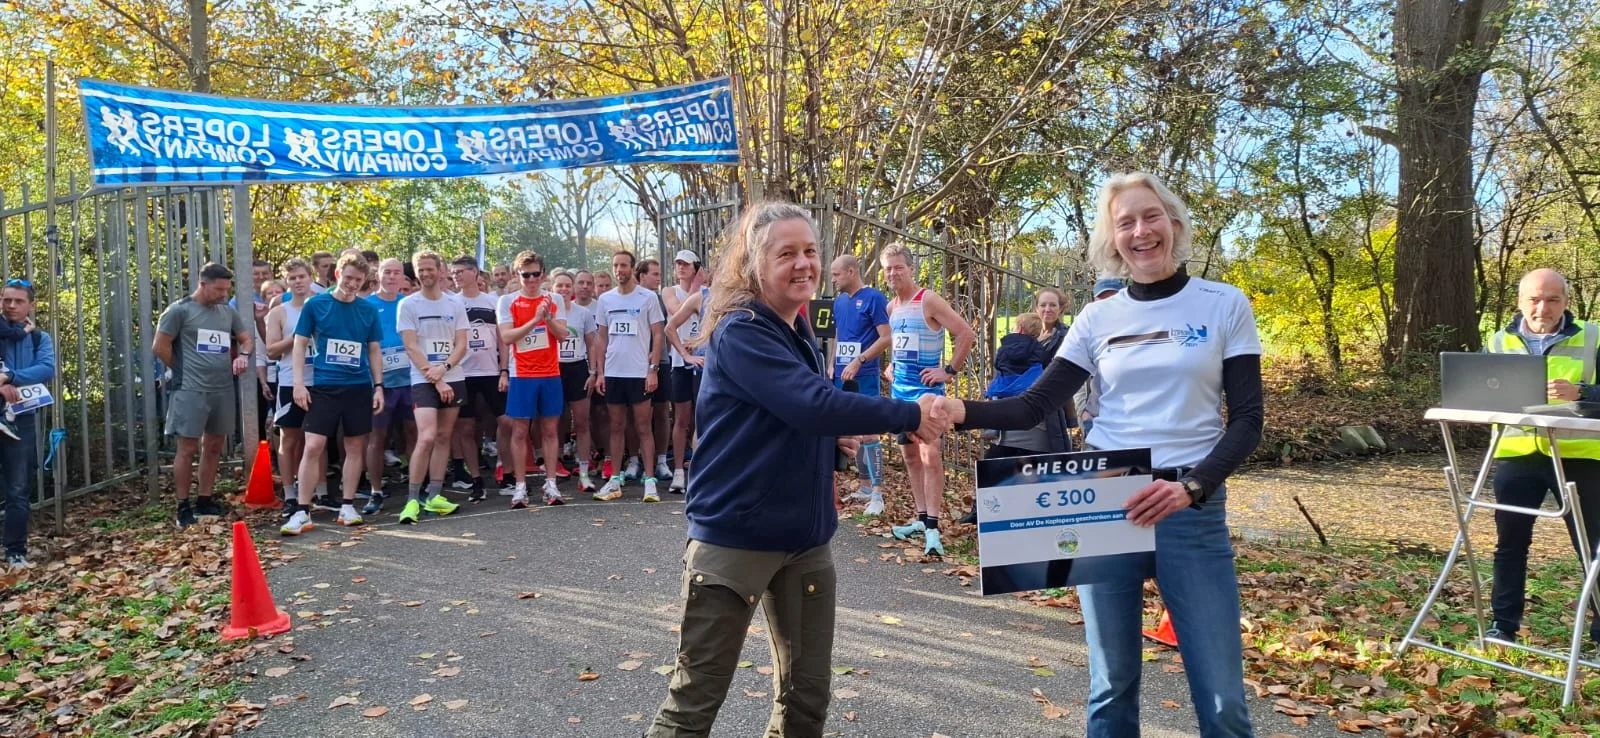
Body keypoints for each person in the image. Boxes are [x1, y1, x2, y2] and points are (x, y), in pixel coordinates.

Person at [934, 172, 1264, 737]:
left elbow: (1250, 420)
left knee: (1222, 698)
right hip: (1106, 500)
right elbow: (1035, 406)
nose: (1141, 230)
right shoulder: (1096, 319)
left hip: (1190, 505)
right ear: (1112, 241)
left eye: (1151, 216)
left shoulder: (1223, 304)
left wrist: (1192, 487)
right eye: (1126, 222)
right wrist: (960, 409)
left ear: (1174, 224)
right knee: (1111, 687)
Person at [646, 202, 944, 737]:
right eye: (787, 253)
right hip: (735, 539)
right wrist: (910, 413)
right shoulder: (740, 329)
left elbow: (789, 416)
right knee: (693, 704)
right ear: (755, 262)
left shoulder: (799, 330)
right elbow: (810, 403)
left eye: (810, 251)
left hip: (805, 540)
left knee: (806, 701)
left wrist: (830, 444)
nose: (804, 264)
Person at [1484, 268, 1600, 647]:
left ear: (1566, 302)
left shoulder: (1594, 336)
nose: (1542, 308)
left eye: (1552, 299)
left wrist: (1583, 392)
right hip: (1518, 456)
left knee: (1594, 549)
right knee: (1510, 545)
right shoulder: (1499, 341)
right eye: (1534, 299)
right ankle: (1503, 628)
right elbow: (1479, 394)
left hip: (1581, 457)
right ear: (1520, 302)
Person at [880, 242, 976, 557]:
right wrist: (892, 365)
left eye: (898, 267)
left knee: (930, 456)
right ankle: (921, 520)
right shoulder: (891, 307)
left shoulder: (928, 300)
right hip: (900, 395)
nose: (893, 273)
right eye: (888, 268)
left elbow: (966, 333)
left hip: (927, 394)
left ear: (911, 269)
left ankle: (933, 528)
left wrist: (948, 371)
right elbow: (899, 343)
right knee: (909, 457)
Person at [283, 253, 385, 535]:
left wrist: (379, 387)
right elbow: (300, 344)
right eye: (348, 277)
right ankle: (302, 511)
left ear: (365, 281)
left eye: (358, 279)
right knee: (314, 445)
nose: (352, 283)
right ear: (337, 274)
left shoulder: (367, 311)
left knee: (355, 447)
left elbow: (374, 350)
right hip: (325, 386)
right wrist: (299, 384)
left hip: (359, 386)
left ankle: (348, 505)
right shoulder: (316, 304)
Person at [153, 263, 253, 528]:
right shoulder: (179, 311)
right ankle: (182, 505)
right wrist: (182, 369)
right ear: (203, 284)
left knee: (214, 445)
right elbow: (159, 346)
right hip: (190, 389)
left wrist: (243, 356)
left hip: (221, 387)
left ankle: (205, 498)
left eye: (226, 289)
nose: (223, 294)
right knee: (187, 448)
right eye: (219, 289)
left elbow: (246, 339)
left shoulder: (226, 311)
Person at [393, 251, 469, 523]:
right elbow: (411, 347)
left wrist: (445, 370)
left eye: (429, 269)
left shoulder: (454, 304)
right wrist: (436, 378)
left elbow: (462, 344)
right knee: (426, 436)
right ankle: (412, 500)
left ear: (440, 270)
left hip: (453, 375)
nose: (424, 274)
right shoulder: (408, 305)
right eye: (419, 270)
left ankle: (435, 495)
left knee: (443, 437)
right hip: (424, 378)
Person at [497, 250, 571, 507]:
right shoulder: (508, 301)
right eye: (525, 275)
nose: (531, 279)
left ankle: (551, 484)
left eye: (535, 274)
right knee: (520, 431)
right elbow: (507, 337)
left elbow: (562, 335)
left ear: (542, 274)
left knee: (550, 430)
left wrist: (548, 317)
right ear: (518, 275)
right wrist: (535, 320)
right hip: (522, 375)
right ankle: (520, 486)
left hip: (550, 373)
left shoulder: (554, 299)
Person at [593, 250, 665, 502]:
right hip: (614, 372)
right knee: (616, 427)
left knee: (644, 427)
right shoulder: (605, 300)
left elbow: (658, 334)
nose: (619, 270)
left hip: (639, 373)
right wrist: (600, 372)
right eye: (615, 265)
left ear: (632, 268)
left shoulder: (648, 298)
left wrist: (653, 369)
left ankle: (650, 480)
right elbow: (601, 338)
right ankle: (614, 479)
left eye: (623, 265)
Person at [827, 254, 892, 515]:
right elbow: (840, 334)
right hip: (842, 375)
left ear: (852, 271)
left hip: (864, 374)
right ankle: (864, 486)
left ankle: (877, 492)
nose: (832, 279)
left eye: (836, 274)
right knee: (849, 431)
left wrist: (859, 360)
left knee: (870, 431)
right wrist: (833, 363)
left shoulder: (874, 298)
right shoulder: (840, 302)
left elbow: (886, 338)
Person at [0, 278, 55, 569]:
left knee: (18, 489)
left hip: (20, 419)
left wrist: (10, 378)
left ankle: (15, 551)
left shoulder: (38, 338)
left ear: (30, 305)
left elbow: (46, 368)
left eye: (18, 301)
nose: (11, 305)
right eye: (6, 299)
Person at [449, 255, 510, 503]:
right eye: (453, 272)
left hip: (491, 371)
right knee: (466, 427)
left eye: (461, 271)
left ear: (475, 273)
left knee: (507, 423)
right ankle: (476, 479)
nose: (457, 276)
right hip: (462, 374)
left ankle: (506, 473)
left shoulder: (493, 302)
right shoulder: (450, 303)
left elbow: (503, 339)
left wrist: (504, 370)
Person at [266, 260, 321, 518]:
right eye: (292, 278)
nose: (298, 282)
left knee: (318, 439)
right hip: (289, 382)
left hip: (320, 380)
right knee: (289, 439)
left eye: (302, 276)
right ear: (287, 282)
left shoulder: (324, 306)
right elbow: (271, 350)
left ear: (310, 278)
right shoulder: (279, 312)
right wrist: (300, 334)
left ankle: (319, 491)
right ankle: (289, 494)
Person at [361, 258, 414, 515]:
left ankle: (417, 488)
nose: (392, 277)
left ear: (403, 278)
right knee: (376, 438)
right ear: (377, 275)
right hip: (379, 383)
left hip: (411, 380)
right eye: (387, 272)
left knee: (413, 434)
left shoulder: (410, 303)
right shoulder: (366, 305)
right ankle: (376, 491)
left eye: (397, 273)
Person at [552, 269, 601, 493]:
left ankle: (583, 473)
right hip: (553, 369)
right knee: (554, 423)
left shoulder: (583, 313)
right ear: (552, 288)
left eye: (566, 286)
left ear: (571, 289)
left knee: (582, 422)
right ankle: (554, 470)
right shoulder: (546, 311)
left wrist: (593, 372)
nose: (563, 289)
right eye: (559, 286)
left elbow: (592, 344)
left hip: (578, 369)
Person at [661, 250, 705, 494]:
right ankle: (678, 471)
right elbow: (677, 310)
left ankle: (699, 470)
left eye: (686, 264)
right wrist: (685, 350)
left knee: (702, 418)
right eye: (678, 263)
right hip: (680, 362)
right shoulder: (670, 291)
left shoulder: (706, 292)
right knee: (682, 418)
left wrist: (697, 341)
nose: (680, 268)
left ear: (696, 267)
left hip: (703, 362)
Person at [1073, 277, 1124, 436]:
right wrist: (1083, 413)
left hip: (1129, 423)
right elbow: (1075, 378)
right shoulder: (1086, 334)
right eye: (1102, 298)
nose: (1107, 304)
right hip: (1095, 421)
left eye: (1112, 298)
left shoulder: (1139, 331)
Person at [639, 258, 675, 481]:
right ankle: (637, 461)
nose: (658, 278)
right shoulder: (631, 297)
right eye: (654, 273)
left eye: (659, 273)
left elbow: (665, 331)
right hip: (635, 365)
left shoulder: (661, 299)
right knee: (639, 417)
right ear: (641, 275)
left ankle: (661, 460)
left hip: (660, 362)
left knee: (662, 411)